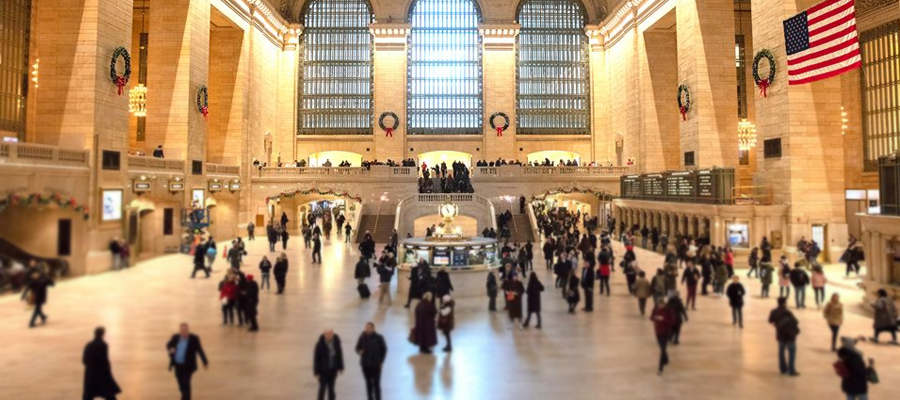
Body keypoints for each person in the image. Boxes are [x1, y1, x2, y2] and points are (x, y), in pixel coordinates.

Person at [166, 323, 208, 400]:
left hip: (188, 366)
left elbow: (200, 350)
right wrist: (170, 349)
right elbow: (168, 344)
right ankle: (184, 396)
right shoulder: (175, 337)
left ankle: (186, 398)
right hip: (178, 366)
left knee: (186, 383)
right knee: (181, 384)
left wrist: (205, 362)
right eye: (182, 330)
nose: (184, 332)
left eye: (185, 330)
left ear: (188, 330)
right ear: (180, 330)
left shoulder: (194, 338)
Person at [82, 327, 121, 400]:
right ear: (103, 334)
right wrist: (107, 371)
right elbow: (104, 360)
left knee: (89, 393)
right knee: (108, 392)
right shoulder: (103, 345)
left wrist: (90, 367)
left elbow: (84, 360)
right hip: (101, 373)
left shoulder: (89, 345)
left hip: (90, 373)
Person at [768, 297, 800, 376]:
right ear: (785, 303)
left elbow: (770, 321)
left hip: (780, 335)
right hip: (789, 335)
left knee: (781, 353)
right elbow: (796, 321)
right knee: (791, 352)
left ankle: (783, 369)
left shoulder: (773, 311)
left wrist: (777, 323)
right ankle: (791, 370)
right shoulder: (787, 312)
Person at [355, 323, 387, 400]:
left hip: (376, 365)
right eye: (366, 327)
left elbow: (384, 349)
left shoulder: (379, 338)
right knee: (368, 383)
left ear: (373, 329)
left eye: (369, 328)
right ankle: (370, 398)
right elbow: (357, 348)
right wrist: (360, 352)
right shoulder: (362, 337)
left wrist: (381, 361)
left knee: (376, 384)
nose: (367, 329)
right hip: (365, 365)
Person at [313, 329, 344, 400]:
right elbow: (316, 359)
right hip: (323, 371)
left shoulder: (336, 343)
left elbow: (339, 355)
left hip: (333, 370)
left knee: (331, 388)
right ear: (324, 334)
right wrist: (316, 372)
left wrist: (341, 367)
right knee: (322, 388)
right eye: (327, 334)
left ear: (333, 334)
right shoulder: (319, 344)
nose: (328, 335)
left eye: (330, 333)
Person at [651, 299, 674, 375]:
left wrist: (663, 319)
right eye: (659, 305)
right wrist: (656, 318)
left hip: (666, 332)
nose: (660, 306)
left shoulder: (668, 310)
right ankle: (666, 359)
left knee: (662, 349)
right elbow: (651, 317)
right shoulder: (656, 309)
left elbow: (672, 321)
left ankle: (660, 369)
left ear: (664, 304)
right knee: (662, 348)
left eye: (662, 305)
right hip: (658, 332)